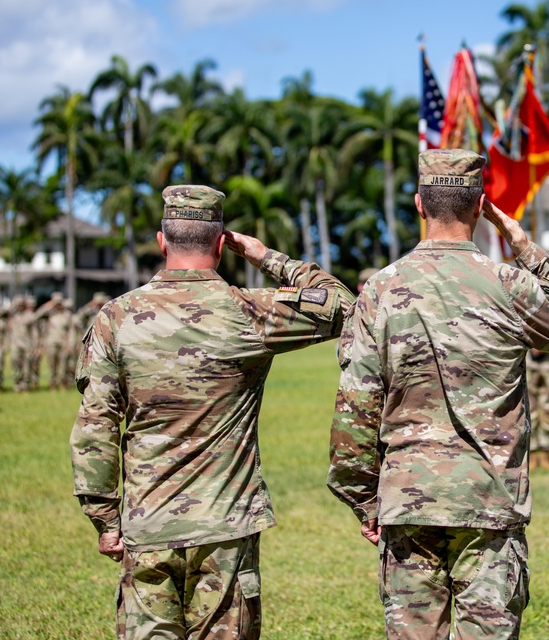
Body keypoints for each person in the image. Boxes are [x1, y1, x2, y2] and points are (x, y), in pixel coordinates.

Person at [327, 149, 549, 640]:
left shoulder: (380, 289)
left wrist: (365, 499)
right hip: (489, 504)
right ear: (480, 208)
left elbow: (355, 406)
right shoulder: (510, 283)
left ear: (418, 204)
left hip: (407, 501)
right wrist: (525, 247)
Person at [70, 185, 354, 640]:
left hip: (147, 524)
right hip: (225, 526)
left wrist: (105, 518)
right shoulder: (249, 312)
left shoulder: (115, 318)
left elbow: (96, 425)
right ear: (222, 245)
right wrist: (266, 257)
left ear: (162, 242)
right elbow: (342, 306)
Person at [527, 348, 549, 470]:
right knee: (528, 408)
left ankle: (545, 454)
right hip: (527, 357)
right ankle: (531, 454)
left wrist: (543, 345)